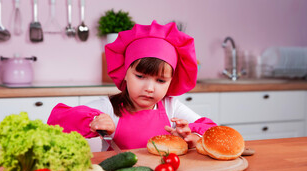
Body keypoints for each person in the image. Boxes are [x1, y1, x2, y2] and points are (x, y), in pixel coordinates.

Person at [48, 20, 217, 151]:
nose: (150, 88)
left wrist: (191, 135)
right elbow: (58, 119)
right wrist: (92, 122)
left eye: (160, 81)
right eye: (140, 76)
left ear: (171, 81)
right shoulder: (109, 108)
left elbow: (210, 128)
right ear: (125, 73)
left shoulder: (171, 107)